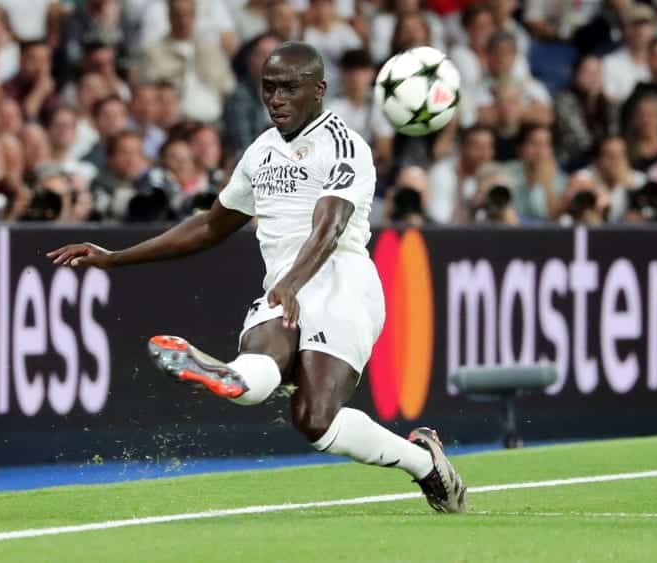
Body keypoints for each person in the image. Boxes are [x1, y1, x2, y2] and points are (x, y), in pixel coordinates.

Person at [47, 42, 467, 514]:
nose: (276, 99)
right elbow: (211, 225)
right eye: (269, 88)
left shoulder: (345, 144)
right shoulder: (260, 152)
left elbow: (329, 226)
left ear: (319, 89)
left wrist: (293, 283)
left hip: (341, 282)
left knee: (314, 420)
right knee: (257, 368)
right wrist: (115, 258)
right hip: (285, 284)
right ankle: (228, 375)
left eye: (289, 88)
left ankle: (424, 462)